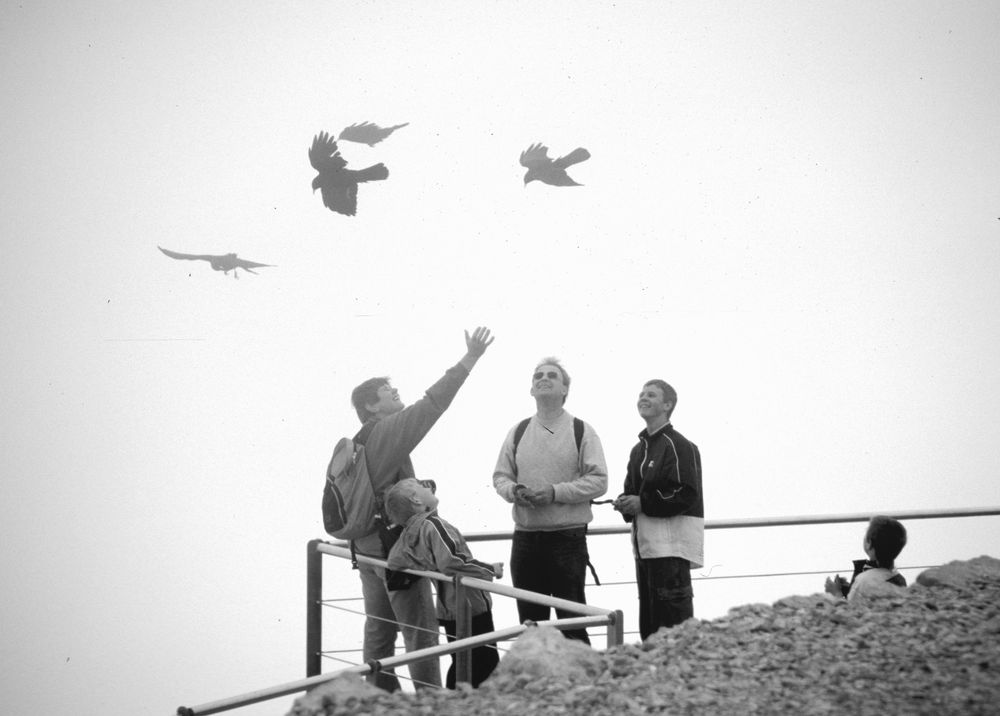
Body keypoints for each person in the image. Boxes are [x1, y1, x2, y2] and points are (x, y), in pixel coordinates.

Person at [347, 326, 494, 692]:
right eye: (389, 393)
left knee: (379, 629)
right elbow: (432, 404)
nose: (397, 395)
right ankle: (429, 705)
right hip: (395, 550)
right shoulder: (385, 431)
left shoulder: (359, 443)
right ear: (371, 406)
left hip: (365, 549)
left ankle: (381, 699)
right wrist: (470, 358)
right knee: (420, 634)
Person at [492, 357, 608, 644]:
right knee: (530, 627)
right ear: (531, 389)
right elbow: (500, 477)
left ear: (565, 389)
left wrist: (555, 492)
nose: (543, 379)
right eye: (538, 376)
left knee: (572, 624)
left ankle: (583, 684)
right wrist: (513, 492)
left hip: (567, 540)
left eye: (552, 376)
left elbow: (599, 481)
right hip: (526, 539)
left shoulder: (582, 430)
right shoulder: (517, 431)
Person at [384, 478, 502, 689]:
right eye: (421, 486)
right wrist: (490, 569)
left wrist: (426, 564)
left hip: (448, 609)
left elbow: (395, 560)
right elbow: (452, 561)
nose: (428, 486)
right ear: (416, 499)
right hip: (470, 605)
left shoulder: (410, 533)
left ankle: (453, 705)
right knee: (486, 663)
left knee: (462, 662)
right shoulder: (434, 525)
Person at [613, 379, 703, 640]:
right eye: (641, 393)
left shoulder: (680, 444)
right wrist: (624, 503)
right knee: (650, 631)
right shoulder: (637, 450)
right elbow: (631, 492)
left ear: (667, 405)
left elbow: (686, 493)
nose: (643, 397)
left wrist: (642, 503)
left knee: (675, 632)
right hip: (645, 549)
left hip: (672, 551)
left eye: (651, 394)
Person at [825, 515, 908, 603]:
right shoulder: (900, 579)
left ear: (869, 544)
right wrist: (849, 589)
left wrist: (836, 594)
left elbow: (850, 611)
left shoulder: (863, 581)